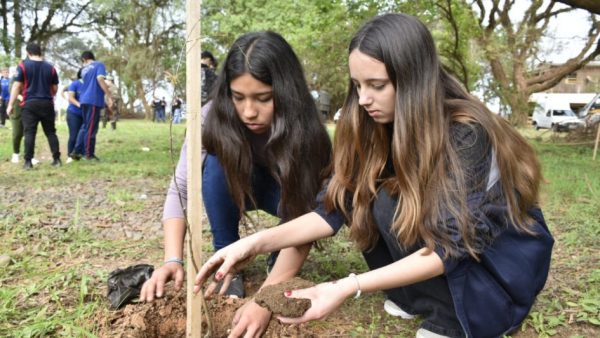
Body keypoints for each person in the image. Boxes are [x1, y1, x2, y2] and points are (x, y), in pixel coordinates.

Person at [193, 13, 554, 338]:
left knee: (399, 205)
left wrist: (345, 286)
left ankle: (455, 318)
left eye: (377, 86)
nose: (364, 99)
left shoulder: (467, 134)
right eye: (358, 85)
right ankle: (416, 298)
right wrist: (252, 244)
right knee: (377, 200)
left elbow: (450, 247)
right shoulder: (374, 124)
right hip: (444, 250)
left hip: (494, 268)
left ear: (413, 79)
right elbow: (331, 212)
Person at [139, 31, 332, 301]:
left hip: (287, 198)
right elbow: (181, 188)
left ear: (286, 91)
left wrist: (267, 295)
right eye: (238, 97)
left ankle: (279, 249)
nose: (249, 111)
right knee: (214, 163)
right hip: (237, 187)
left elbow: (310, 212)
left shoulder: (306, 129)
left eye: (263, 98)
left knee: (305, 202)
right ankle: (227, 257)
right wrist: (173, 259)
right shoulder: (211, 118)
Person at [7, 43, 61, 170]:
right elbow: (55, 88)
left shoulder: (23, 66)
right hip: (47, 103)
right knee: (51, 132)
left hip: (30, 104)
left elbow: (16, 86)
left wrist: (10, 105)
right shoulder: (51, 68)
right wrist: (48, 95)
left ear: (28, 53)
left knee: (29, 133)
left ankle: (27, 162)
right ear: (40, 52)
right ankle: (57, 159)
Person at [70, 50, 112, 161]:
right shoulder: (99, 65)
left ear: (84, 59)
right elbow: (100, 79)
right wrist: (108, 95)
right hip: (93, 99)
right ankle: (89, 154)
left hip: (84, 100)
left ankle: (77, 151)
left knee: (85, 126)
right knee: (91, 128)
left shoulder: (83, 70)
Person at [65, 69, 83, 162]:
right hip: (74, 113)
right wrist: (79, 104)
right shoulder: (75, 84)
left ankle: (81, 154)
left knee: (83, 135)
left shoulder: (90, 85)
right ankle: (70, 155)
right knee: (74, 134)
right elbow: (70, 98)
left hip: (86, 114)